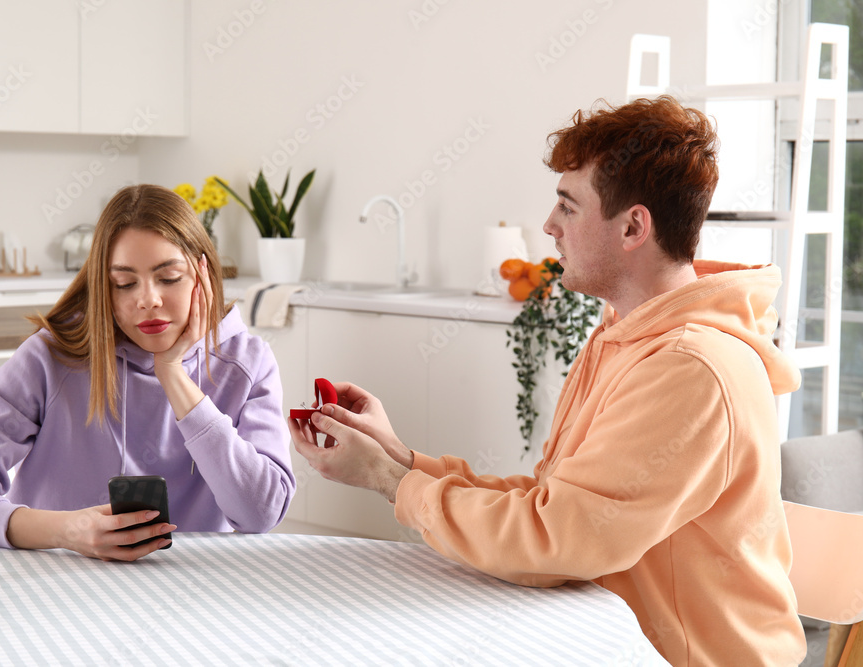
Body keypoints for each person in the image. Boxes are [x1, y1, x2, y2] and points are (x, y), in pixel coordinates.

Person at [289, 96, 807, 666]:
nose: (549, 225)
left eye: (568, 205)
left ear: (634, 225)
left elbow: (556, 542)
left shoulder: (688, 368)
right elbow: (556, 505)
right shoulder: (629, 336)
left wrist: (390, 482)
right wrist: (402, 460)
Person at [0, 184, 295, 561]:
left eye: (169, 277)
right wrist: (65, 530)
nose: (148, 299)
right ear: (103, 286)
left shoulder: (248, 363)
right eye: (124, 283)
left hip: (192, 601)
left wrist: (173, 375)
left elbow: (260, 513)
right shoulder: (50, 359)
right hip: (56, 590)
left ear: (203, 273)